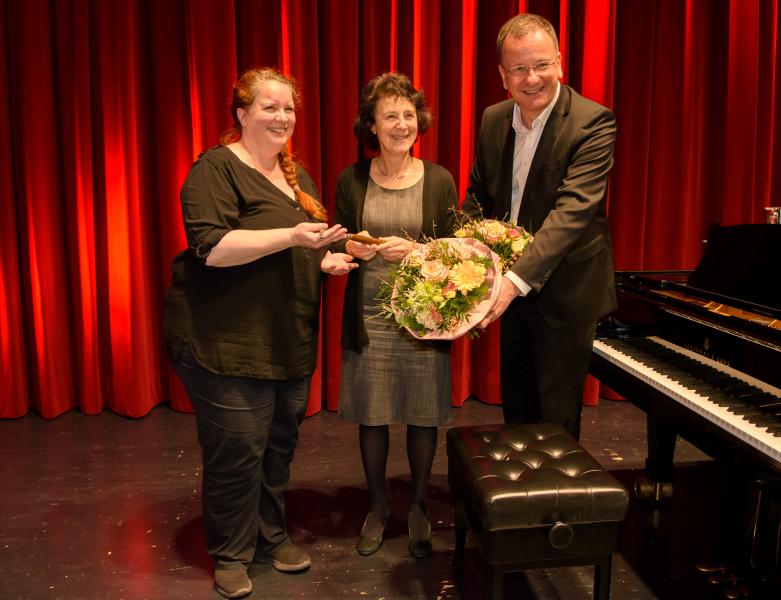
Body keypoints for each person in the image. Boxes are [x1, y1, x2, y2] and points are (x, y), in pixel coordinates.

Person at [163, 68, 355, 599]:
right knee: (237, 451)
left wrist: (327, 262)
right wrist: (292, 234)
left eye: (288, 108)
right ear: (241, 114)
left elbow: (300, 254)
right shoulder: (215, 169)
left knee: (277, 447)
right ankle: (230, 551)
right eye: (269, 107)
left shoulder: (298, 177)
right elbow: (214, 248)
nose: (281, 117)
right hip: (225, 343)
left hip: (286, 338)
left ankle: (270, 536)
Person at [463, 13, 617, 440]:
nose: (532, 78)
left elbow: (571, 214)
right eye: (519, 68)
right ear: (502, 74)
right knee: (518, 409)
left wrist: (512, 282)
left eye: (542, 64)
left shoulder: (592, 122)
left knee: (555, 423)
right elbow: (478, 194)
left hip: (565, 292)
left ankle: (556, 508)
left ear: (560, 62)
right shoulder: (494, 119)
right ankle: (522, 503)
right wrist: (464, 259)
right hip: (511, 291)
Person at [333, 73, 458, 559]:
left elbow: (456, 253)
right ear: (372, 125)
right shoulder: (352, 178)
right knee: (374, 416)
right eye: (390, 115)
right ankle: (378, 507)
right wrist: (352, 246)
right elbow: (338, 235)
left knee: (423, 417)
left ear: (418, 121)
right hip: (369, 317)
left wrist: (419, 251)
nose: (401, 124)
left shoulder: (440, 178)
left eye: (408, 115)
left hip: (423, 317)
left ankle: (421, 505)